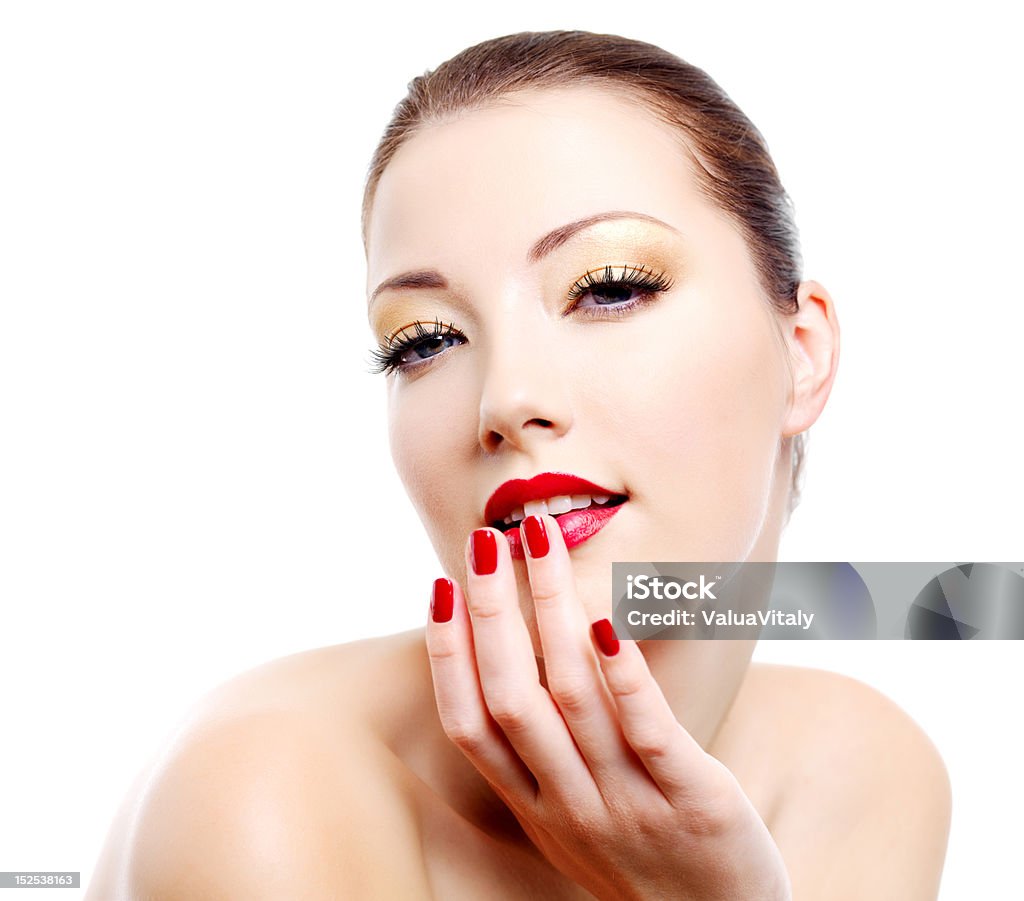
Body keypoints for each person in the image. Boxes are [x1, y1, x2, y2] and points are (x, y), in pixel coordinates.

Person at [86, 30, 951, 899]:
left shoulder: (858, 772)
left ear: (802, 354)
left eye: (610, 286)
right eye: (425, 340)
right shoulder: (265, 800)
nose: (504, 397)